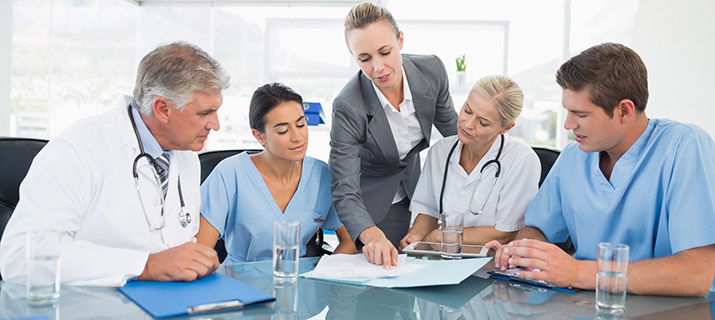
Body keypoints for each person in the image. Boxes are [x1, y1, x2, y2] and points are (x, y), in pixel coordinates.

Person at [486, 43, 715, 296]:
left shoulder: (685, 146)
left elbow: (696, 274)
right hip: (585, 304)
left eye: (580, 114)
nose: (568, 124)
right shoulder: (573, 158)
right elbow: (538, 229)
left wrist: (578, 273)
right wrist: (524, 252)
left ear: (624, 110)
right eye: (567, 111)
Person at [0, 42, 229, 286]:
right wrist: (145, 265)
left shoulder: (185, 154)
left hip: (162, 303)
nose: (215, 125)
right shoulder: (78, 149)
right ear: (162, 109)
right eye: (205, 113)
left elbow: (173, 241)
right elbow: (20, 258)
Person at [330, 2, 458, 268]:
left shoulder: (431, 71)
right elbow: (345, 190)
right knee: (380, 280)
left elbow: (456, 138)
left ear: (400, 40)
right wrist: (369, 231)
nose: (378, 68)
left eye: (385, 52)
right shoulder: (348, 105)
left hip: (416, 188)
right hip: (370, 200)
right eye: (364, 59)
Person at [196, 83, 356, 263]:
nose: (297, 137)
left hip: (299, 281)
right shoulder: (230, 174)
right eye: (283, 130)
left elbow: (350, 238)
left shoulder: (321, 175)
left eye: (301, 124)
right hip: (239, 281)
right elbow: (199, 250)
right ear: (259, 136)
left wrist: (325, 275)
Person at [399, 75, 540, 249]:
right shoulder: (440, 151)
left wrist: (441, 237)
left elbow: (506, 233)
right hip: (444, 257)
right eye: (467, 110)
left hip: (492, 263)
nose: (468, 124)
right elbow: (428, 211)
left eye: (483, 122)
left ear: (506, 128)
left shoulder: (521, 160)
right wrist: (415, 236)